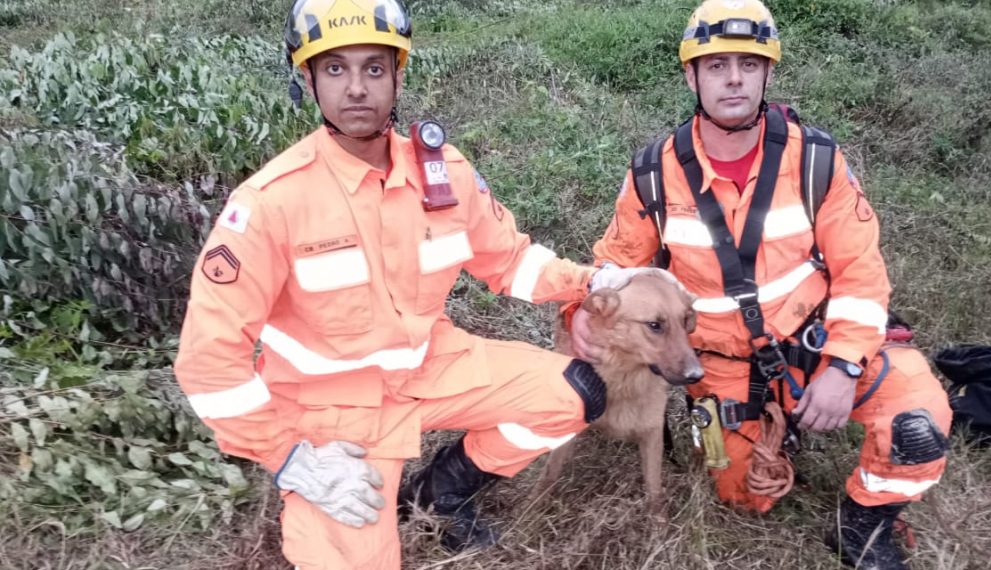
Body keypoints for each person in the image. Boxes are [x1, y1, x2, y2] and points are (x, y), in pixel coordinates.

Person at [172, 1, 654, 568]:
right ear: (307, 79)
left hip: (430, 366)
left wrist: (594, 279)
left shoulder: (441, 173)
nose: (356, 88)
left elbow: (511, 261)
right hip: (332, 413)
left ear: (398, 75)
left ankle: (442, 489)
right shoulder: (271, 203)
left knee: (574, 394)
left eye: (374, 69)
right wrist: (290, 458)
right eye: (335, 69)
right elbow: (209, 363)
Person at [571, 1, 952, 568]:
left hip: (816, 345)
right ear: (690, 75)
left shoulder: (816, 161)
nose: (733, 79)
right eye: (717, 64)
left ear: (767, 74)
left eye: (748, 65)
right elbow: (616, 267)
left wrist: (845, 367)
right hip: (720, 362)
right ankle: (768, 429)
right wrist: (579, 313)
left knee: (917, 419)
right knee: (743, 497)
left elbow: (861, 273)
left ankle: (864, 523)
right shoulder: (655, 170)